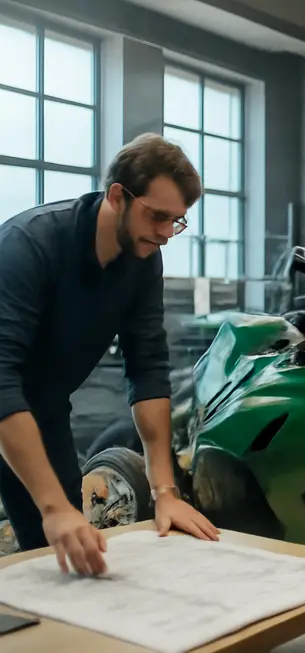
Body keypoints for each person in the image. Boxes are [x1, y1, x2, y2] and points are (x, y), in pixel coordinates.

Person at [0, 133, 220, 577]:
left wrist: (165, 493)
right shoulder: (30, 244)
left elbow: (148, 368)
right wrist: (51, 505)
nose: (165, 234)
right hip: (6, 392)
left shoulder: (143, 257)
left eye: (176, 221)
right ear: (118, 196)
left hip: (40, 409)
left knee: (65, 552)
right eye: (157, 216)